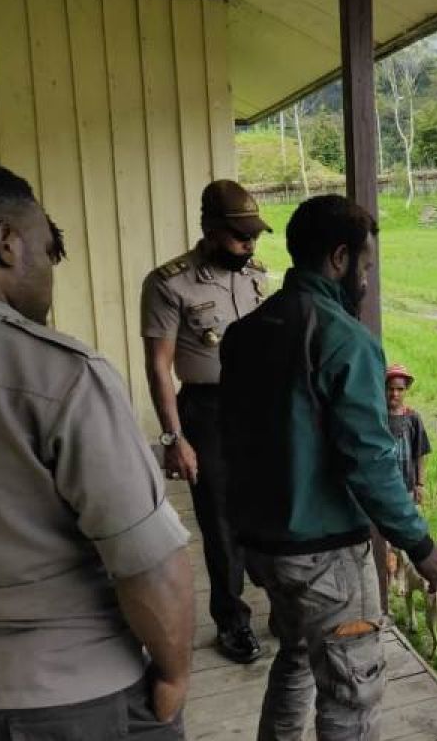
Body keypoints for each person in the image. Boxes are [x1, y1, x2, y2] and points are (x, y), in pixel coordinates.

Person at [0, 154, 194, 739]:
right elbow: (150, 566)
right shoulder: (59, 375)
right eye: (47, 252)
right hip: (60, 689)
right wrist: (174, 673)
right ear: (6, 242)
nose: (51, 273)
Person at [219, 194, 437, 741]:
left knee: (295, 660)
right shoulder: (344, 339)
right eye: (366, 266)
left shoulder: (245, 333)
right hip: (324, 558)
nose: (366, 280)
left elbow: (231, 439)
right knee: (352, 695)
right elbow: (368, 458)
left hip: (264, 547)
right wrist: (419, 544)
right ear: (340, 258)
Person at [139, 179, 270, 665]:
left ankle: (278, 599)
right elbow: (158, 367)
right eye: (239, 236)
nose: (249, 244)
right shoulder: (169, 282)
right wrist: (174, 438)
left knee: (267, 504)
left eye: (253, 235)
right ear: (210, 230)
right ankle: (232, 621)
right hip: (207, 412)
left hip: (257, 409)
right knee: (219, 521)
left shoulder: (254, 273)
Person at [386, 362, 432, 505]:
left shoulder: (413, 418)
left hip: (407, 487)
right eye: (390, 389)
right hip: (382, 486)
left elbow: (419, 454)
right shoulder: (377, 417)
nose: (395, 394)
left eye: (400, 389)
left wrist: (420, 484)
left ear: (407, 389)